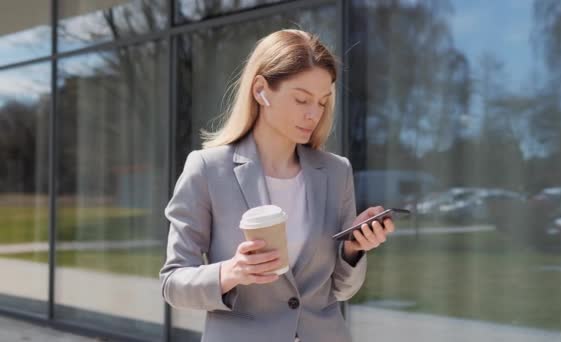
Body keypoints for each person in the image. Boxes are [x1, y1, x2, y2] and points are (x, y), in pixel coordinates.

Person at [159, 29, 395, 342]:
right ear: (261, 90)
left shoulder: (336, 172)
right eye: (301, 99)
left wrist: (353, 248)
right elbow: (172, 284)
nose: (314, 114)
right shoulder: (207, 169)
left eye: (323, 102)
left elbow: (342, 288)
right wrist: (232, 271)